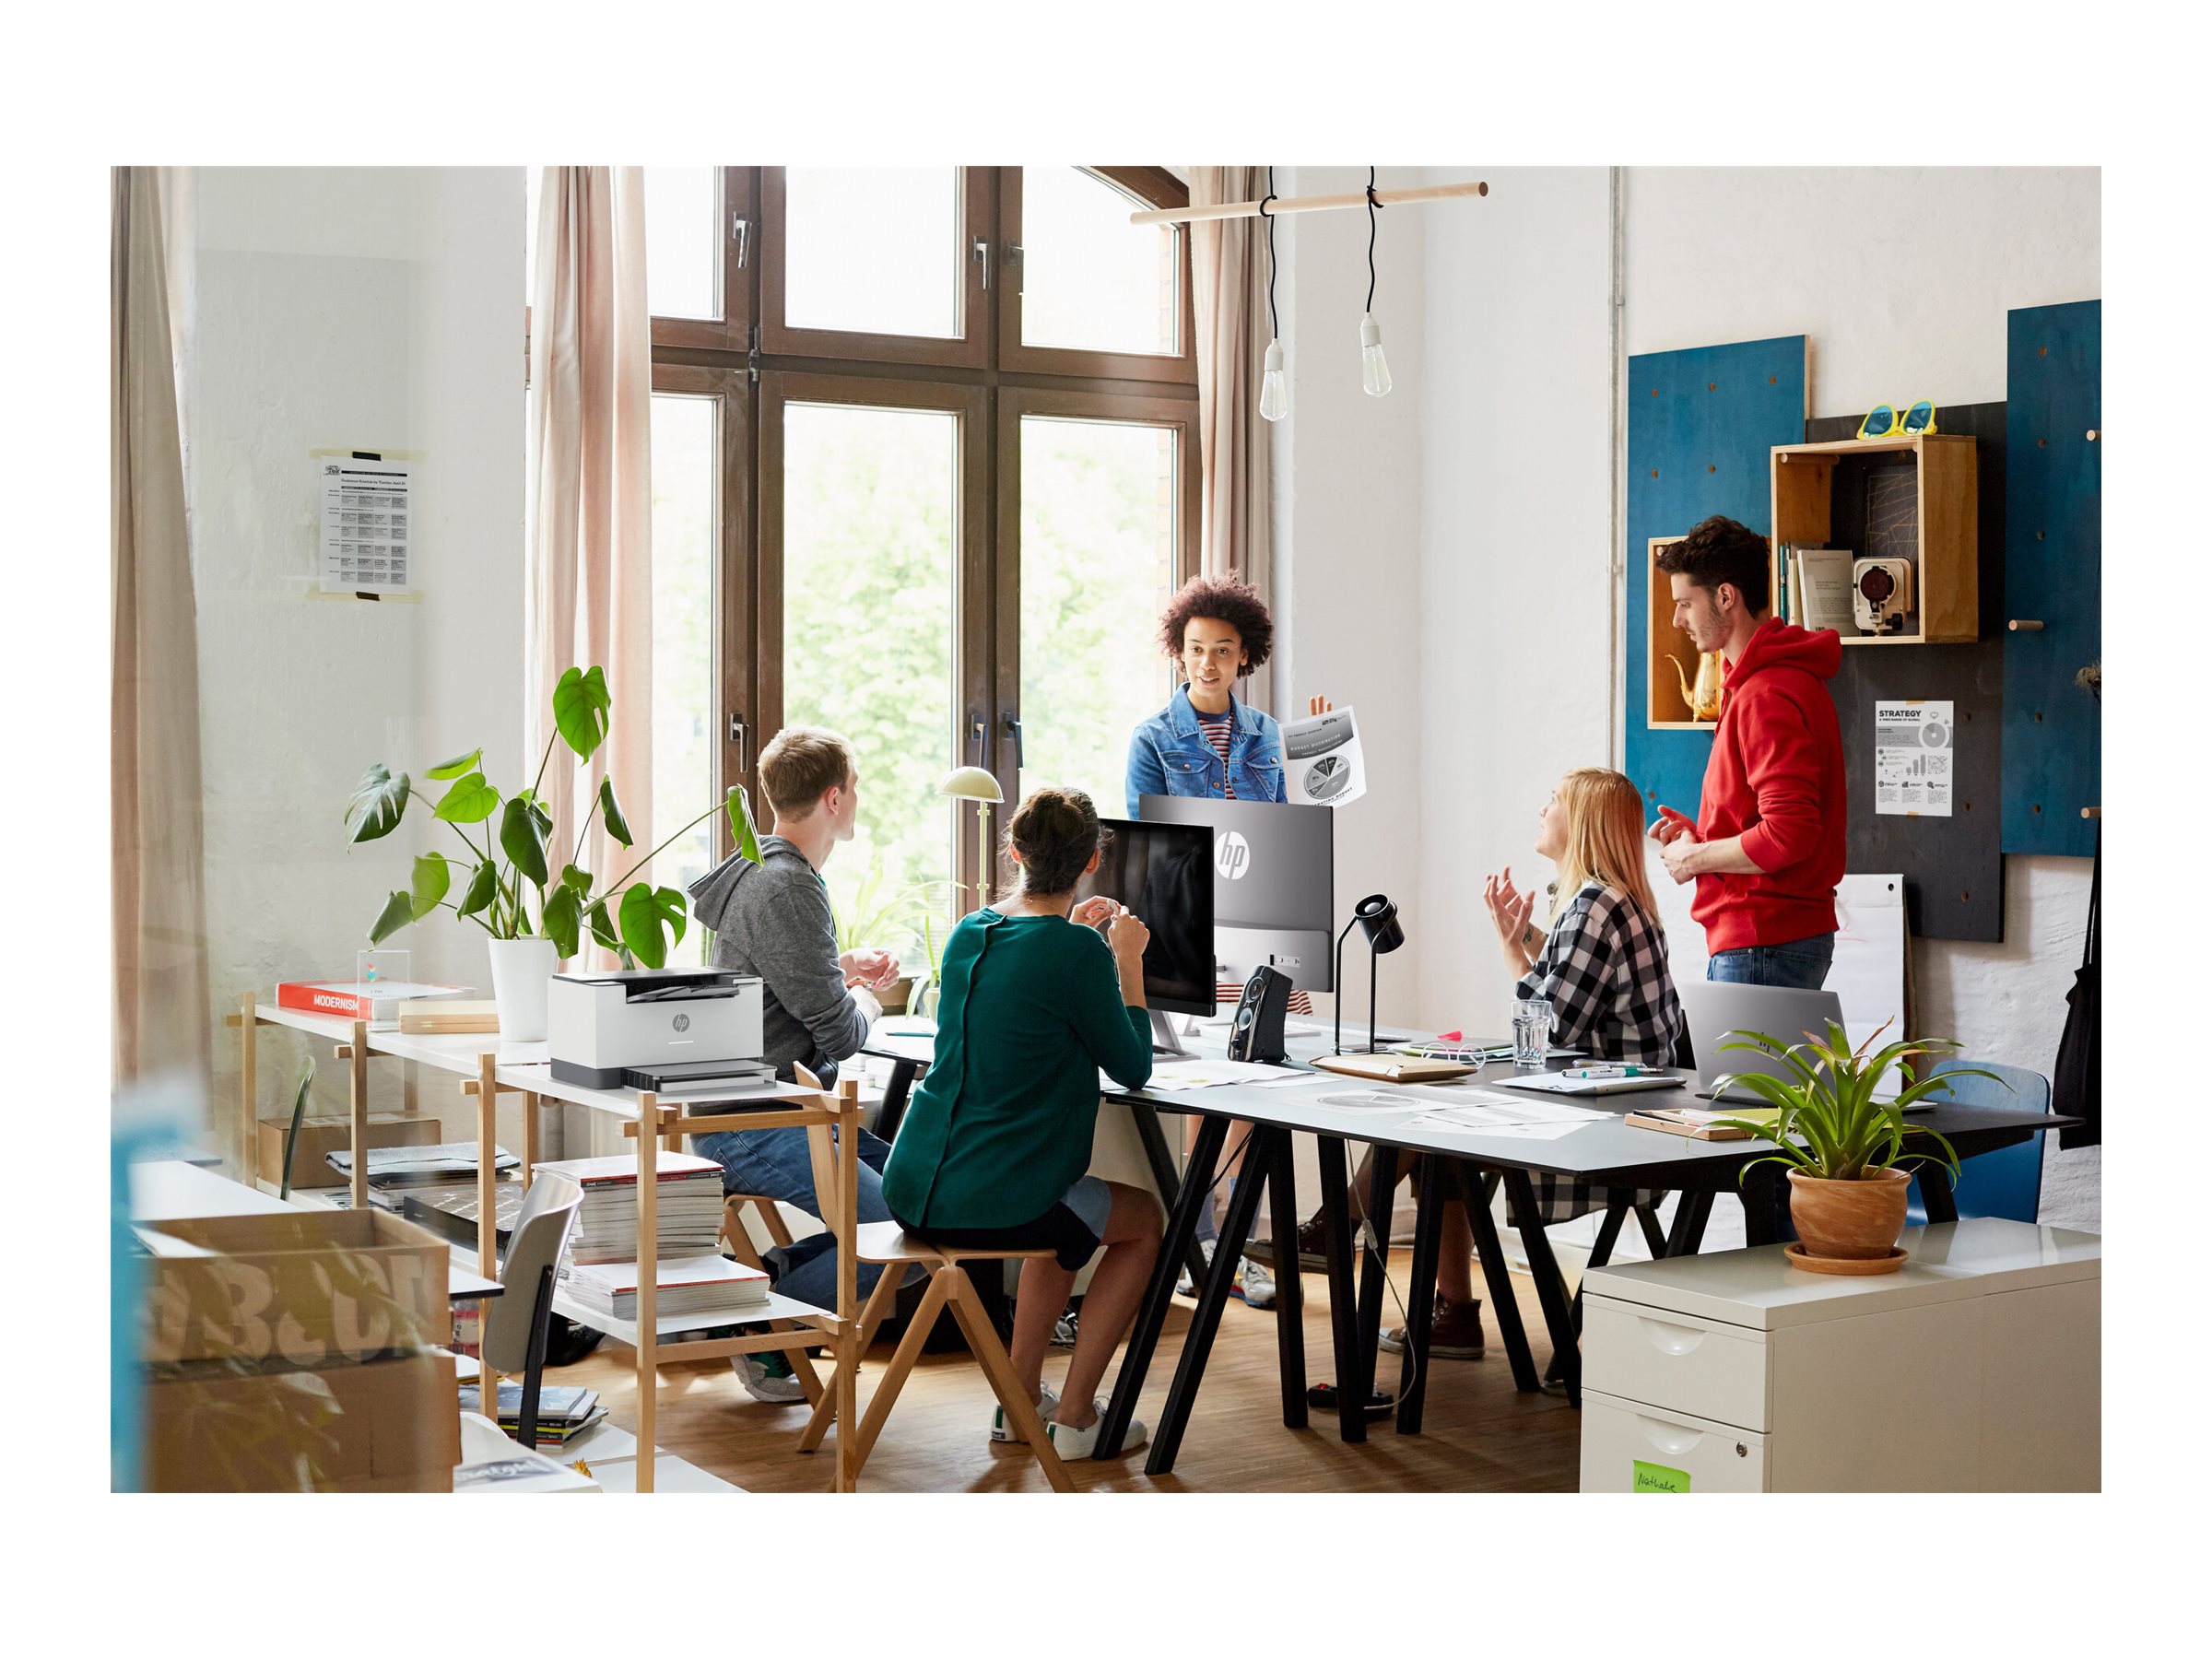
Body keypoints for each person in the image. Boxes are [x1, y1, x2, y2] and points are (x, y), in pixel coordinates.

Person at [880, 787, 1165, 1458]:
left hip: (914, 1188)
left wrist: (1079, 941)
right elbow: (1133, 1066)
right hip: (998, 1199)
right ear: (1092, 860)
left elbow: (1029, 987)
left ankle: (1020, 1403)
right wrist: (1126, 961)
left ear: (1014, 851)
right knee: (1144, 1222)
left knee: (1068, 1218)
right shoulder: (1078, 953)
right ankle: (1076, 1419)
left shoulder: (970, 931)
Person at [1375, 767, 1685, 1359]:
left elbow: (1547, 1035)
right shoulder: (1614, 903)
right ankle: (1445, 1310)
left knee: (1427, 1124)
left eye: (1554, 800)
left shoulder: (1595, 905)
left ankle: (1339, 1229)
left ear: (1582, 822)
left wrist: (1511, 948)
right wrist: (1519, 939)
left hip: (1606, 1130)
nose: (1543, 810)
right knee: (1438, 1137)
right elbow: (1570, 993)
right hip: (1619, 1112)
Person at [1123, 573, 1330, 1311]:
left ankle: (1236, 1245)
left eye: (1223, 649)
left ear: (1246, 655)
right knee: (1206, 1090)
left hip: (1267, 932)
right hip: (1193, 934)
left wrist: (1321, 763)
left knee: (1262, 1089)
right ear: (1178, 653)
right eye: (1196, 649)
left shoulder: (1271, 736)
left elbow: (1298, 832)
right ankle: (1204, 1245)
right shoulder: (1153, 739)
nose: (1208, 662)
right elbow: (1149, 846)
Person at [686, 725, 909, 1402]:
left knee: (928, 1203)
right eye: (856, 789)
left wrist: (838, 967)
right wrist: (871, 999)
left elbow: (772, 981)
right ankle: (753, 1316)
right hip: (752, 1122)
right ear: (834, 798)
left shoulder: (764, 870)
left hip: (771, 1110)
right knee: (902, 1235)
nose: (857, 800)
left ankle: (762, 1286)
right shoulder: (787, 885)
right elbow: (841, 1035)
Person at [1649, 514, 1846, 989]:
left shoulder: (1765, 694)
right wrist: (1704, 837)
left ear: (1725, 597)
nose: (1677, 620)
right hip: (1769, 939)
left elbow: (1788, 834)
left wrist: (1696, 859)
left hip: (1763, 940)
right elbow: (1769, 821)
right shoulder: (1768, 682)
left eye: (1685, 604)